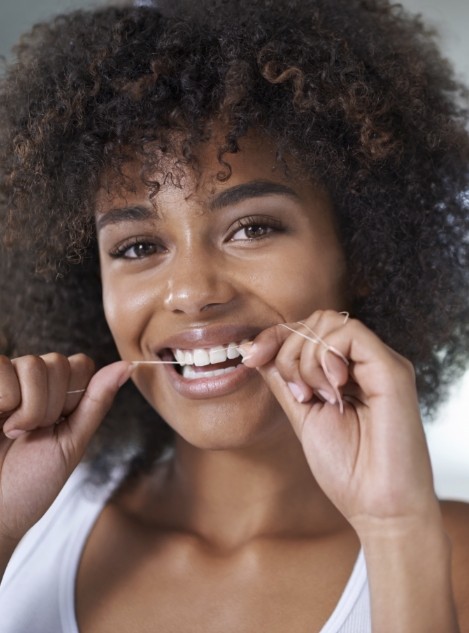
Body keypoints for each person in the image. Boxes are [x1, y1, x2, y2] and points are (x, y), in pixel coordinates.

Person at [0, 0, 468, 630]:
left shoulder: (445, 561)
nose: (191, 292)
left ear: (363, 254)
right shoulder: (27, 523)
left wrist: (395, 531)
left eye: (252, 228)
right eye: (138, 246)